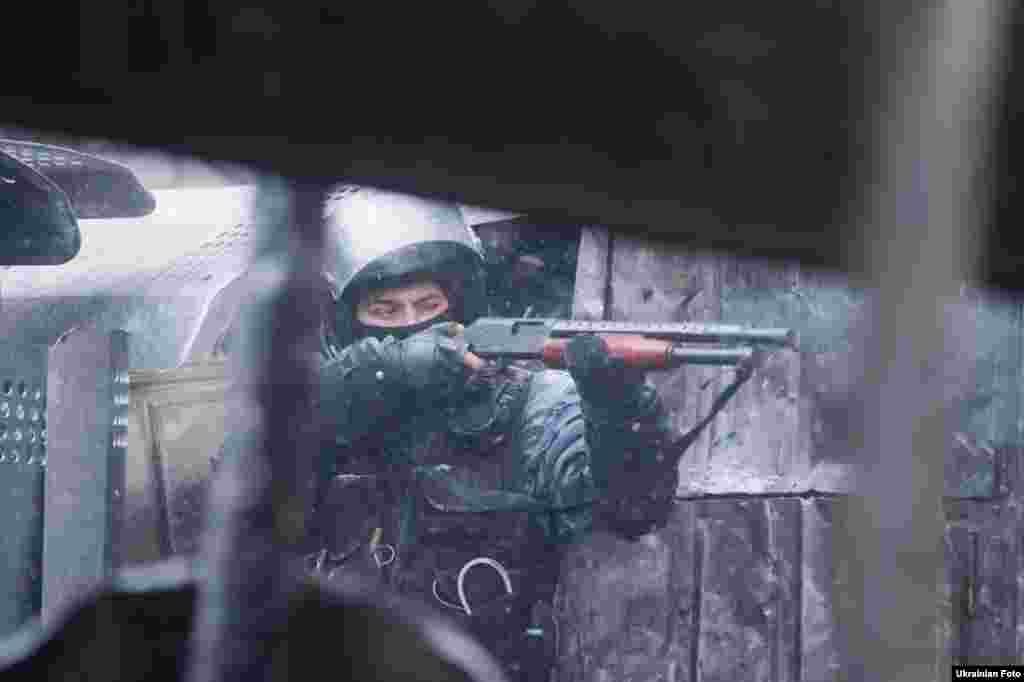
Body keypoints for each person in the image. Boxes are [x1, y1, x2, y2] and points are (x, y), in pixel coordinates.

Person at [217, 185, 677, 682]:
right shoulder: (318, 412)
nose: (413, 326)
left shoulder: (529, 404)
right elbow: (238, 504)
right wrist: (379, 374)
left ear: (459, 306)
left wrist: (618, 409)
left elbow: (634, 507)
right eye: (385, 311)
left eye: (427, 304)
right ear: (348, 323)